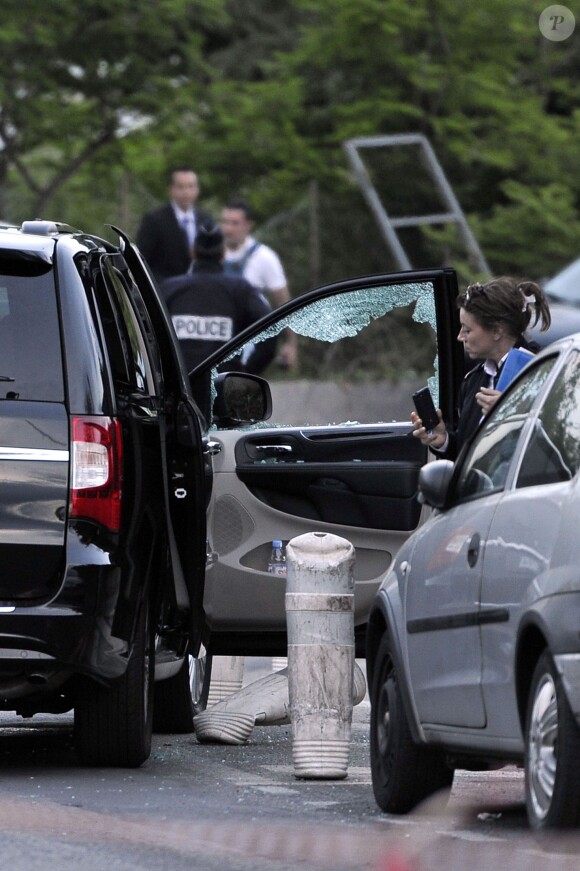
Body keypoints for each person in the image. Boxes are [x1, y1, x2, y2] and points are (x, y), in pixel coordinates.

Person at [412, 276, 552, 460]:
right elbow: (469, 459)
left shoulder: (542, 371)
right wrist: (443, 440)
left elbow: (559, 441)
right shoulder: (472, 381)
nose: (460, 337)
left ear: (496, 331)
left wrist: (512, 411)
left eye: (467, 329)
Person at [159, 219, 275, 376]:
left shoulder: (169, 289)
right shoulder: (240, 290)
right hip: (222, 392)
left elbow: (147, 334)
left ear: (193, 252)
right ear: (223, 253)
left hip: (178, 391)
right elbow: (271, 327)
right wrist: (247, 373)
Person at [220, 197, 298, 369]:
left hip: (250, 342)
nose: (228, 229)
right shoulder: (210, 255)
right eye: (225, 222)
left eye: (234, 223)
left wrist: (291, 344)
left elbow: (283, 302)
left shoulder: (264, 258)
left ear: (248, 225)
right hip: (218, 339)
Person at [137, 167, 212, 282]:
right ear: (171, 189)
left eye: (191, 186)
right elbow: (143, 259)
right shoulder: (155, 220)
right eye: (180, 187)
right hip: (166, 289)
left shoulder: (205, 219)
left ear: (197, 189)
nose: (186, 192)